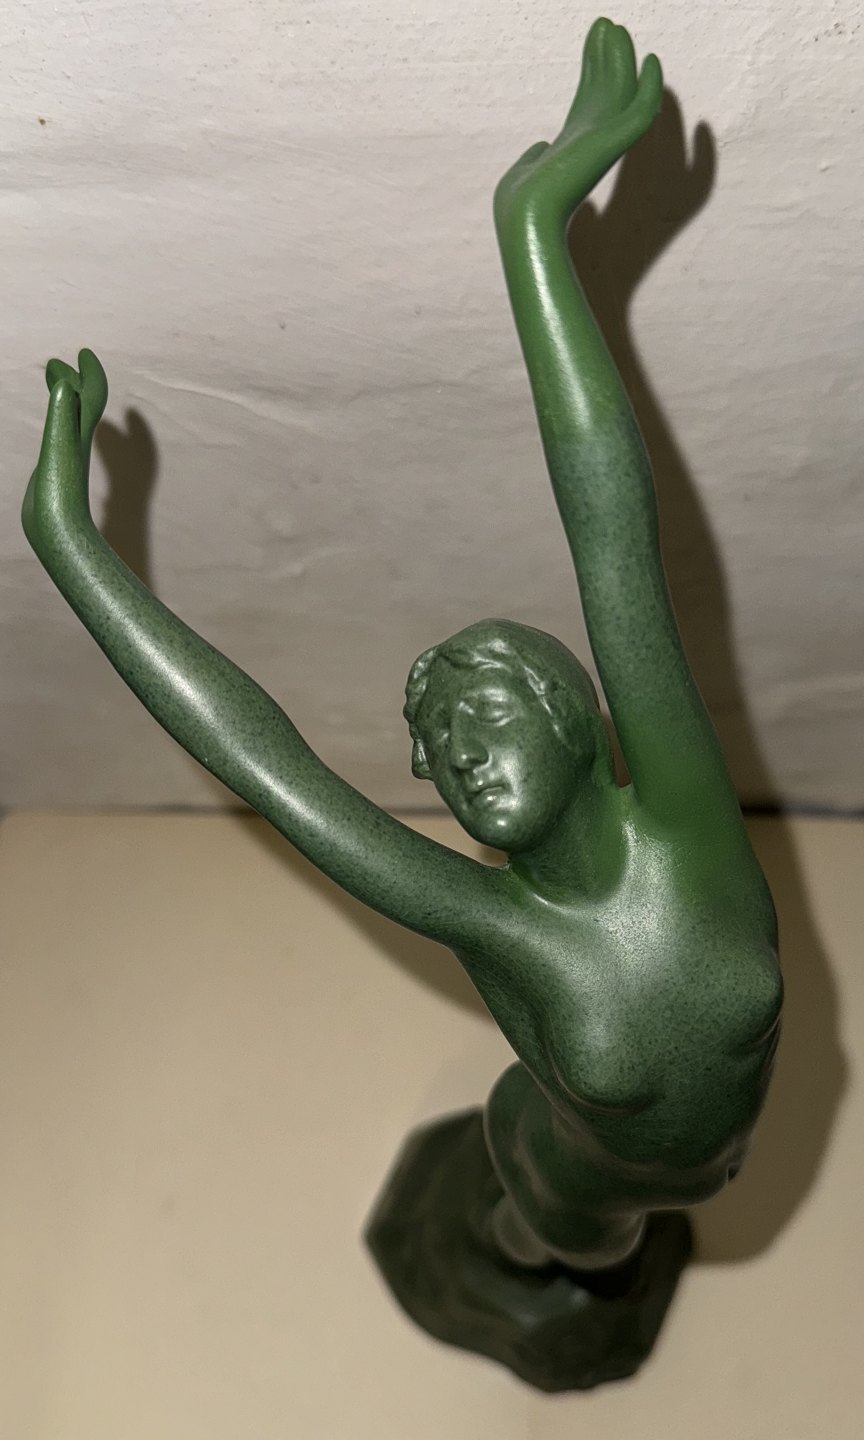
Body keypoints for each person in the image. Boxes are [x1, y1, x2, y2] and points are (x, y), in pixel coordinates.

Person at [23, 19, 781, 1275]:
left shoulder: (686, 822)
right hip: (574, 1186)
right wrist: (71, 549)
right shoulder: (496, 923)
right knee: (548, 1262)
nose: (454, 755)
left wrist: (531, 231)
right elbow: (269, 765)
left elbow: (611, 523)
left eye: (481, 713)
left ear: (574, 711)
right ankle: (509, 1255)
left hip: (718, 1168)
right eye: (434, 743)